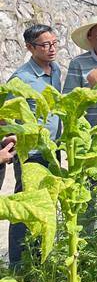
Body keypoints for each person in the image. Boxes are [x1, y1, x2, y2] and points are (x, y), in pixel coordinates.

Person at [8, 24, 63, 267]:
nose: (52, 49)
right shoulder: (21, 79)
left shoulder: (56, 70)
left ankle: (41, 258)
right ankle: (19, 263)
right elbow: (5, 114)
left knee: (47, 204)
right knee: (25, 205)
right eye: (45, 45)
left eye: (54, 43)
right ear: (30, 48)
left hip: (52, 150)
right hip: (30, 153)